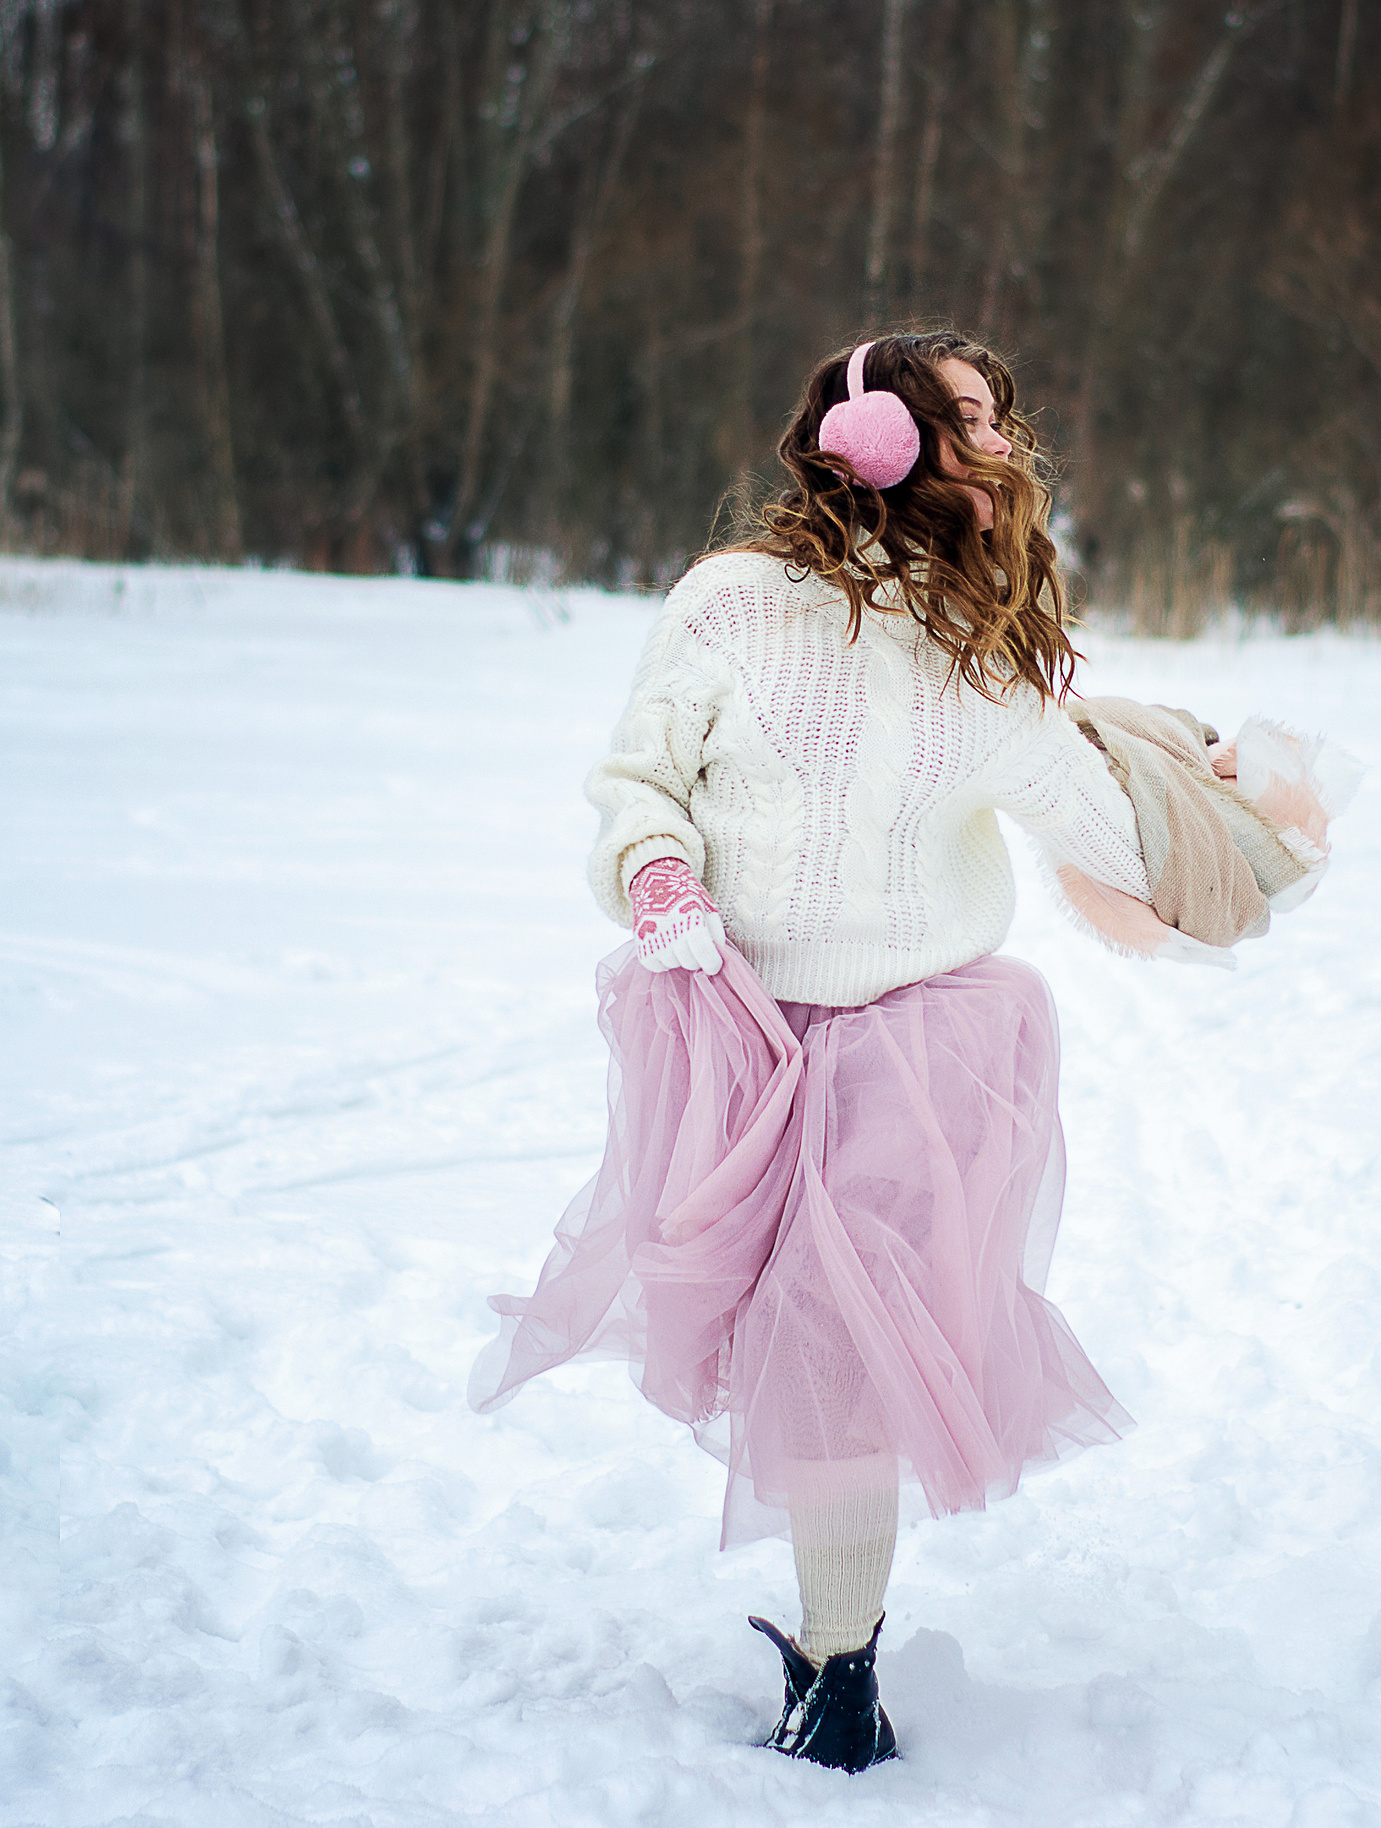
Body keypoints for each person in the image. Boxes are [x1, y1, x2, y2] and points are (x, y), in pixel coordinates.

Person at [470, 331, 1164, 1773]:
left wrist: (1221, 816)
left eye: (1003, 418)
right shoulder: (733, 604)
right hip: (731, 1033)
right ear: (878, 436)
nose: (1004, 444)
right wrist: (658, 870)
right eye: (969, 416)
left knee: (841, 1362)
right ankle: (833, 1660)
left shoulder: (980, 646)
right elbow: (641, 777)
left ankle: (842, 1675)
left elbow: (1108, 834)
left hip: (914, 1052)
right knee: (768, 1341)